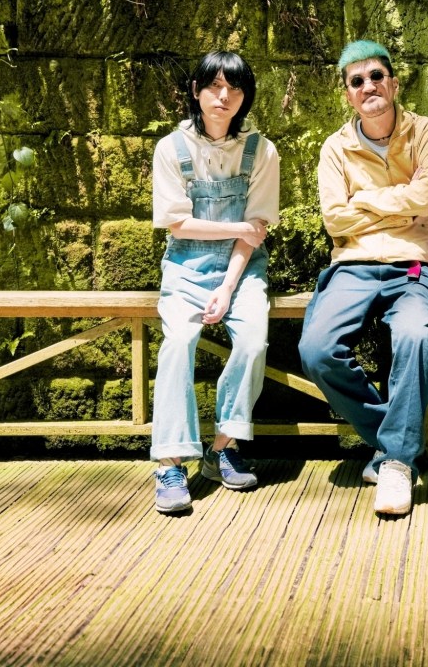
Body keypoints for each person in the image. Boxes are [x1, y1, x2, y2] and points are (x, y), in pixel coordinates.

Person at [298, 40, 428, 517]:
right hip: (353, 264)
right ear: (348, 94)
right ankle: (394, 437)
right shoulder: (335, 148)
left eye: (376, 77)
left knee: (414, 335)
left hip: (415, 263)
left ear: (394, 83)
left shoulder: (424, 131)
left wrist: (362, 201)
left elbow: (426, 200)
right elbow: (334, 220)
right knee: (317, 350)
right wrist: (398, 204)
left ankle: (397, 464)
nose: (369, 86)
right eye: (357, 81)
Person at [150, 51, 280, 514]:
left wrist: (227, 288)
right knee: (177, 343)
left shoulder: (261, 151)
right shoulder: (171, 148)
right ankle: (169, 462)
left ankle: (222, 446)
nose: (224, 97)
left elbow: (255, 232)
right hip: (185, 266)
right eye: (214, 86)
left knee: (252, 341)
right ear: (196, 91)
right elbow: (177, 225)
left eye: (235, 89)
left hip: (243, 269)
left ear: (245, 97)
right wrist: (238, 226)